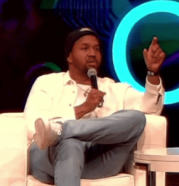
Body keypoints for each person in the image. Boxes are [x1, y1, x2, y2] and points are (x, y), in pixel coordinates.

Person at [24, 27, 166, 186]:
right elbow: (32, 127)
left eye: (96, 49)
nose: (92, 53)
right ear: (69, 56)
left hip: (96, 162)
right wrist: (83, 108)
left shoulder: (112, 88)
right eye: (85, 48)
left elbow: (150, 108)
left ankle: (62, 129)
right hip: (49, 158)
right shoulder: (47, 83)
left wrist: (152, 73)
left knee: (137, 118)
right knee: (71, 143)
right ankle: (63, 134)